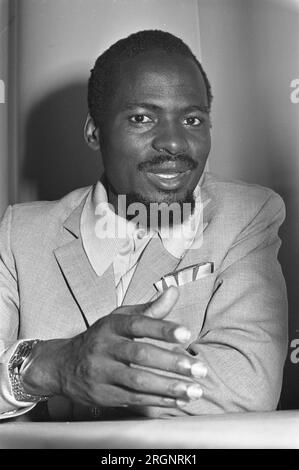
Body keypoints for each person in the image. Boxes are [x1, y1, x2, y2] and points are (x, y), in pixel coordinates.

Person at [0, 30, 287, 421]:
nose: (173, 142)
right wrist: (60, 365)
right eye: (142, 118)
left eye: (192, 119)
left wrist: (46, 375)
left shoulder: (247, 214)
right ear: (93, 131)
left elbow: (247, 385)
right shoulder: (21, 233)